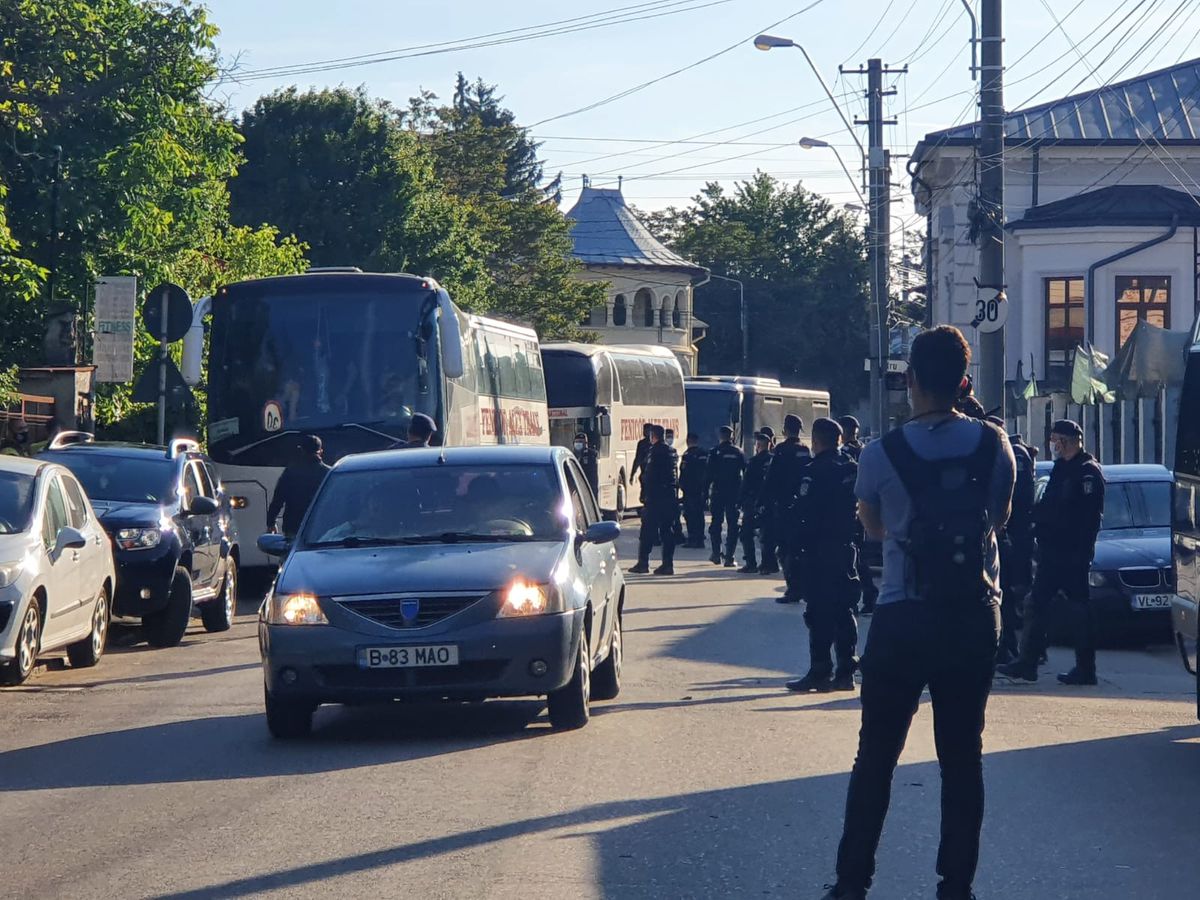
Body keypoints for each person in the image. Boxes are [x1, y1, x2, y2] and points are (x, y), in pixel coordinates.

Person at [821, 325, 1015, 900]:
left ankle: (853, 882)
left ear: (910, 381)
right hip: (973, 615)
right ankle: (955, 886)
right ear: (964, 381)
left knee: (876, 755)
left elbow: (874, 528)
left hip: (903, 617)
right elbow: (999, 520)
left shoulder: (883, 453)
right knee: (962, 757)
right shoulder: (994, 445)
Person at [997, 419, 1104, 686]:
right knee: (1037, 604)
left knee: (1076, 610)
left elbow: (1088, 518)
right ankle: (1028, 663)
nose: (1053, 445)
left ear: (1067, 441)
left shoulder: (1087, 472)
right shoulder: (1061, 469)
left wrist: (1081, 552)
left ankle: (1083, 668)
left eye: (1056, 440)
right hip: (1052, 551)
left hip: (1071, 554)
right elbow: (1048, 506)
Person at [786, 417, 860, 692]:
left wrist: (794, 545)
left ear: (816, 441)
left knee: (818, 611)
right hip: (845, 548)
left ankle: (820, 672)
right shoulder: (852, 467)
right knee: (844, 609)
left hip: (819, 549)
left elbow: (803, 513)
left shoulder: (814, 470)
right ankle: (845, 672)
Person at [993, 422, 1035, 665]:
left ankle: (1010, 648)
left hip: (1012, 536)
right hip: (1012, 535)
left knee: (1009, 595)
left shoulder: (1014, 453)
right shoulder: (1016, 452)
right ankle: (1016, 648)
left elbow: (1015, 499)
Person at [762, 414, 812, 601]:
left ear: (785, 429)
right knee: (799, 547)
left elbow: (771, 478)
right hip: (802, 503)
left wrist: (763, 501)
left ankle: (793, 588)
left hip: (783, 504)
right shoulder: (805, 450)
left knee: (784, 548)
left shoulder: (781, 450)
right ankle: (803, 586)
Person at [838, 415, 878, 614]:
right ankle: (867, 596)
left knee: (853, 558)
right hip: (862, 506)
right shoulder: (864, 450)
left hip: (848, 510)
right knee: (860, 556)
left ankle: (863, 596)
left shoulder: (844, 454)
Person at [629, 424, 679, 576]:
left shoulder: (654, 452)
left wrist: (644, 489)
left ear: (653, 436)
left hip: (655, 497)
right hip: (670, 496)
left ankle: (643, 563)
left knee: (647, 531)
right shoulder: (672, 451)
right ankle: (668, 564)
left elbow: (650, 475)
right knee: (667, 531)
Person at [267, 434, 332, 538]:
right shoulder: (329, 473)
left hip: (294, 527)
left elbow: (277, 500)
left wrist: (271, 522)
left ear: (301, 451)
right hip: (323, 529)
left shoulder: (290, 472)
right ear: (321, 451)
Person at [705, 425, 746, 567]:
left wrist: (705, 493)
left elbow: (708, 474)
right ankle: (730, 556)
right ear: (732, 436)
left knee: (716, 523)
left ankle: (716, 553)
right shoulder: (738, 452)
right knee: (733, 525)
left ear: (720, 436)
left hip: (718, 492)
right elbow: (745, 472)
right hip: (734, 493)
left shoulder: (714, 452)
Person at [737, 431, 776, 574]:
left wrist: (740, 500)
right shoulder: (775, 460)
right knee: (767, 535)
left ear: (758, 446)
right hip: (771, 503)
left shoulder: (754, 461)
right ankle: (769, 564)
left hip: (754, 502)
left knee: (746, 533)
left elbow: (746, 483)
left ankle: (751, 563)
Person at [679, 433, 708, 548]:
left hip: (690, 489)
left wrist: (681, 485)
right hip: (701, 489)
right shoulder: (704, 453)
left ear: (688, 441)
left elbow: (684, 472)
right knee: (699, 514)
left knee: (690, 514)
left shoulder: (688, 455)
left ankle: (692, 539)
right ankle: (700, 539)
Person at [573, 432, 600, 497]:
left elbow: (593, 475)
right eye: (576, 442)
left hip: (588, 487)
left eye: (580, 442)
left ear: (585, 443)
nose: (578, 444)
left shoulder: (591, 455)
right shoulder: (572, 455)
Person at [629, 423, 653, 487]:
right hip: (645, 475)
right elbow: (637, 460)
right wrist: (632, 474)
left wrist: (632, 475)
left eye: (647, 430)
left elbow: (638, 460)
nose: (645, 432)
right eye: (644, 430)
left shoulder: (644, 444)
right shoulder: (642, 444)